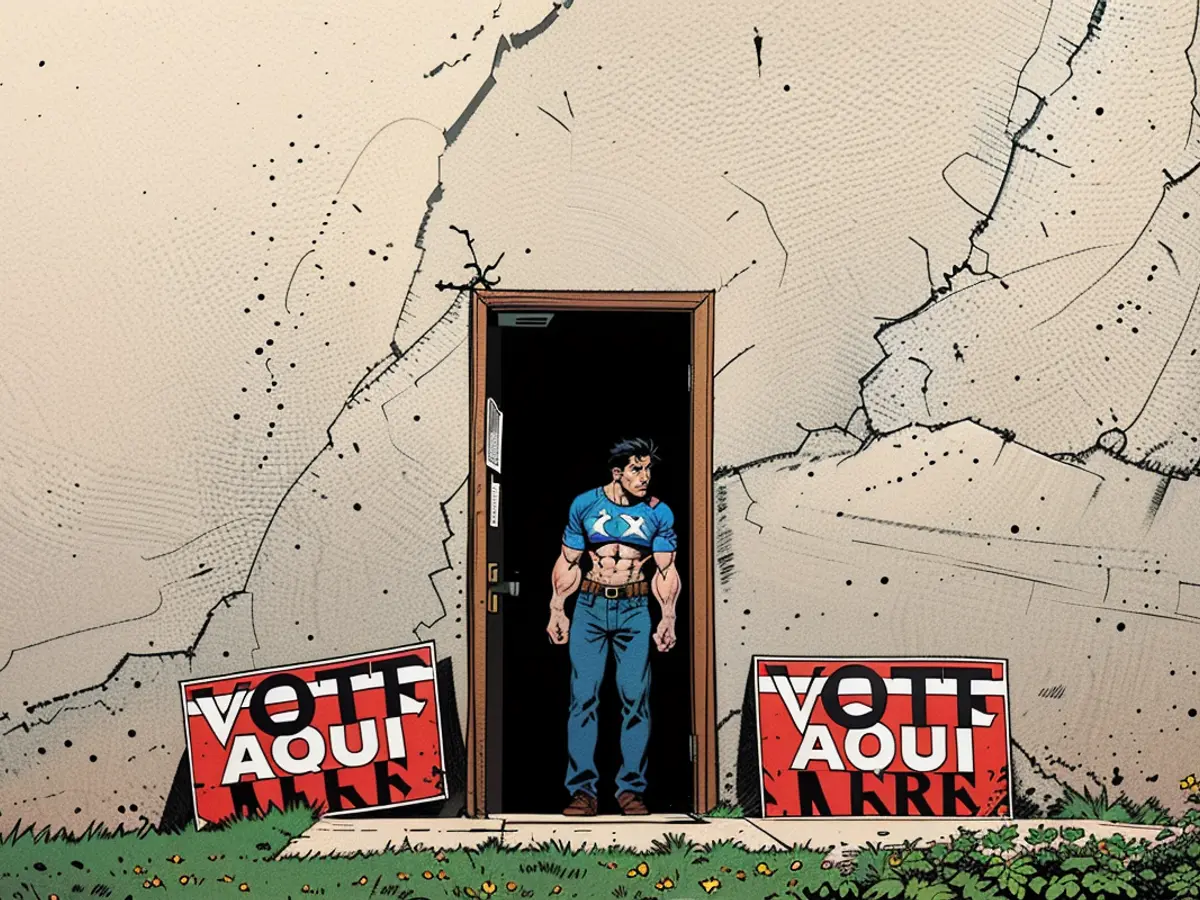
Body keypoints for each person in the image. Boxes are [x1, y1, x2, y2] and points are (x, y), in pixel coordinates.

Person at [545, 437, 681, 816]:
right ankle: (583, 792)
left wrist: (667, 616)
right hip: (589, 606)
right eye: (636, 469)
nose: (645, 477)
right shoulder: (585, 504)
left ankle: (630, 790)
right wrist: (557, 608)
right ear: (617, 473)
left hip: (635, 608)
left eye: (648, 469)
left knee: (635, 698)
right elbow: (568, 561)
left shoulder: (659, 512)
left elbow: (666, 569)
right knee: (583, 697)